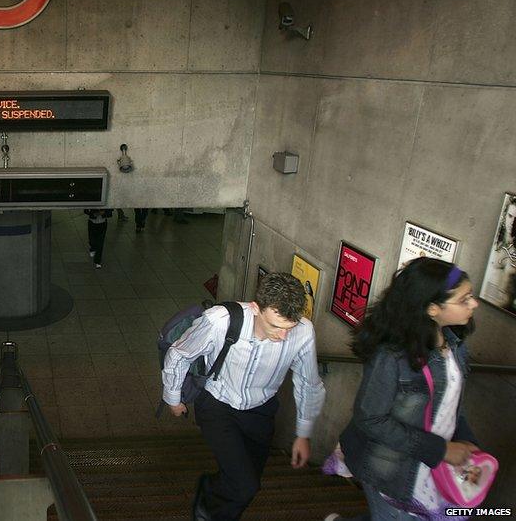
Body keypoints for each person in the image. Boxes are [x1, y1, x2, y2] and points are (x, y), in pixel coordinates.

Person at [161, 272, 325, 520]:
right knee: (246, 485)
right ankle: (208, 512)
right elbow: (179, 354)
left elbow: (308, 382)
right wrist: (173, 398)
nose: (282, 336)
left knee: (247, 481)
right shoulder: (221, 321)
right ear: (256, 308)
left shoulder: (303, 332)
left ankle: (211, 491)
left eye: (288, 328)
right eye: (276, 326)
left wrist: (303, 433)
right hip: (218, 406)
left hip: (261, 413)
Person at [329, 258, 481, 520]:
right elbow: (370, 418)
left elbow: (451, 404)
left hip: (431, 469)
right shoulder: (392, 356)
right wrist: (441, 450)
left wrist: (466, 440)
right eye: (464, 299)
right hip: (391, 469)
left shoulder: (455, 344)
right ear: (433, 308)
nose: (474, 304)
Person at [482, 195, 516, 311]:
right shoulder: (496, 242)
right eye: (510, 216)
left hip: (500, 313)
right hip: (482, 302)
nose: (513, 222)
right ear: (504, 216)